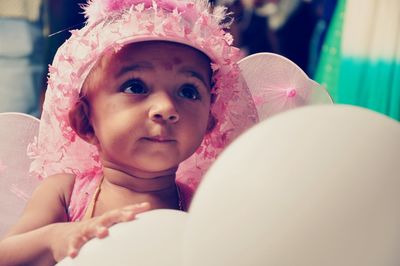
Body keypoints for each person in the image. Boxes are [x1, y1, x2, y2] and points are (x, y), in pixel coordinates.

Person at [0, 0, 260, 264]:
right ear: (85, 121)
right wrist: (54, 239)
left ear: (209, 122)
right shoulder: (67, 192)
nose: (166, 108)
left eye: (188, 91)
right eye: (135, 87)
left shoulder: (199, 207)